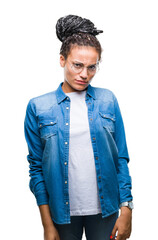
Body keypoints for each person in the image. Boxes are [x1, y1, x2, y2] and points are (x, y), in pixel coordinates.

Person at [24, 15, 133, 240]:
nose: (85, 75)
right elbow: (36, 168)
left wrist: (127, 208)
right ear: (62, 60)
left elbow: (120, 159)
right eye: (77, 65)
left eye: (92, 67)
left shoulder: (108, 100)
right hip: (61, 214)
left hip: (107, 210)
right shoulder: (38, 107)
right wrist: (47, 224)